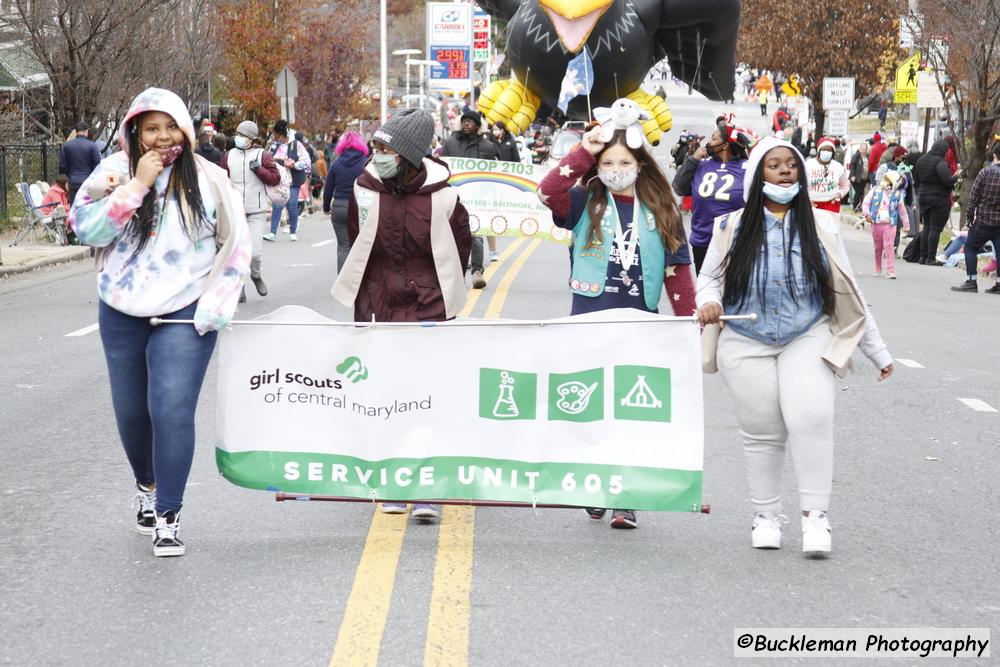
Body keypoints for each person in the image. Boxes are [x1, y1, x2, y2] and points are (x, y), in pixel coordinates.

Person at [67, 87, 250, 557]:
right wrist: (135, 187)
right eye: (151, 129)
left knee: (170, 409)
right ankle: (146, 487)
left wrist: (216, 306)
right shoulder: (113, 172)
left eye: (171, 127)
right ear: (135, 132)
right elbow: (84, 229)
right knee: (131, 410)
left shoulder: (209, 178)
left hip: (186, 309)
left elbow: (237, 246)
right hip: (121, 308)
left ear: (186, 131)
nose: (162, 138)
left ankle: (169, 514)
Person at [696, 136, 893, 556]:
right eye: (774, 165)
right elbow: (709, 278)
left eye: (791, 165)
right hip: (745, 340)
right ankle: (766, 517)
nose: (785, 171)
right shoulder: (729, 227)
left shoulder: (823, 226)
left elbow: (849, 291)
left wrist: (877, 351)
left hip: (808, 333)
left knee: (812, 417)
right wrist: (708, 301)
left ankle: (815, 518)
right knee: (763, 431)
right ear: (757, 177)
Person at [537, 123, 696, 530]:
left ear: (641, 165)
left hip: (639, 324)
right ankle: (595, 484)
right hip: (589, 321)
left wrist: (688, 323)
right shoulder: (583, 202)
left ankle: (625, 497)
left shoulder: (663, 208)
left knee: (628, 410)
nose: (616, 168)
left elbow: (677, 271)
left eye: (624, 162)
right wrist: (583, 152)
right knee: (592, 409)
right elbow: (547, 190)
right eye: (607, 162)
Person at [331, 109, 471, 523]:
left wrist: (436, 292)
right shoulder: (364, 188)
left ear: (408, 154)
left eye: (386, 148)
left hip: (429, 307)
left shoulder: (444, 195)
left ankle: (426, 486)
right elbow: (357, 242)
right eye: (376, 146)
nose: (378, 155)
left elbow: (461, 248)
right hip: (379, 306)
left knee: (426, 396)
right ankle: (393, 481)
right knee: (387, 397)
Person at [672, 115, 754, 273]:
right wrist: (692, 159)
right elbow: (679, 187)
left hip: (734, 243)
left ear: (725, 145)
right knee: (706, 292)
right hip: (702, 242)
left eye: (713, 138)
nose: (708, 142)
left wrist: (748, 144)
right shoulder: (702, 164)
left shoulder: (746, 167)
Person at [440, 110, 499, 288]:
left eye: (470, 121)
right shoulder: (450, 143)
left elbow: (495, 173)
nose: (466, 124)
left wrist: (490, 193)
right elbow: (443, 167)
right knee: (453, 235)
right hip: (454, 196)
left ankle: (477, 271)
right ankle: (456, 271)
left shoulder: (488, 147)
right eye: (464, 121)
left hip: (477, 197)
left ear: (478, 126)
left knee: (476, 234)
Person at [223, 120, 280, 301]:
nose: (238, 138)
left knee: (254, 253)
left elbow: (274, 179)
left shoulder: (262, 155)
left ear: (252, 139)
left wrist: (259, 170)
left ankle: (255, 275)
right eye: (237, 134)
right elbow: (221, 180)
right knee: (237, 252)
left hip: (256, 210)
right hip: (235, 212)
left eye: (243, 136)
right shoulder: (229, 156)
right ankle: (239, 286)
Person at [951, 143, 1000, 293]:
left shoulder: (985, 173)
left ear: (994, 155)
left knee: (971, 247)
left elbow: (973, 199)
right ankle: (999, 283)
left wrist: (969, 221)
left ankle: (971, 281)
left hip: (984, 220)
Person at [323, 130, 369, 273]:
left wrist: (326, 207)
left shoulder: (336, 164)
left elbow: (328, 189)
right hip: (360, 207)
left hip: (340, 207)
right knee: (362, 245)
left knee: (344, 246)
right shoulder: (366, 163)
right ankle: (360, 280)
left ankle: (342, 283)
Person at [913, 139, 960, 265]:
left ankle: (923, 257)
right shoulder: (940, 163)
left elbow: (916, 178)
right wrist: (956, 176)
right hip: (938, 198)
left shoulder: (921, 160)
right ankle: (931, 258)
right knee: (935, 228)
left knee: (927, 226)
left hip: (923, 196)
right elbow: (947, 181)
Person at [264, 119, 310, 242]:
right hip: (279, 180)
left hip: (292, 179)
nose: (275, 138)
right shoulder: (274, 146)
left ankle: (293, 231)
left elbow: (306, 161)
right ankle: (272, 233)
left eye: (277, 136)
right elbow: (267, 159)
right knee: (277, 205)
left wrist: (294, 164)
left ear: (282, 135)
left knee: (292, 205)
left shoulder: (296, 144)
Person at [862, 170, 910, 279]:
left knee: (889, 246)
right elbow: (866, 203)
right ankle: (878, 267)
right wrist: (867, 214)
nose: (884, 181)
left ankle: (890, 270)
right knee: (878, 247)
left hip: (890, 224)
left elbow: (902, 211)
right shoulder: (875, 190)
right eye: (884, 178)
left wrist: (907, 225)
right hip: (876, 223)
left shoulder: (898, 195)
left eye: (887, 179)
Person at [59, 121, 102, 204]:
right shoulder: (92, 146)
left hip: (72, 182)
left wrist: (69, 177)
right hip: (88, 182)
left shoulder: (67, 146)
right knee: (87, 208)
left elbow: (62, 166)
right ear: (86, 131)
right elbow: (98, 165)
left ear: (76, 131)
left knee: (74, 207)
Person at [805, 137, 850, 214]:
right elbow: (801, 185)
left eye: (829, 150)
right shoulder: (808, 164)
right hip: (812, 204)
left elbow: (845, 185)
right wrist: (806, 200)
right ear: (819, 151)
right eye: (824, 149)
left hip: (832, 205)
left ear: (832, 152)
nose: (826, 152)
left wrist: (840, 194)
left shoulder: (838, 167)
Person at [849, 142, 869, 210]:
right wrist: (852, 175)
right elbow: (852, 166)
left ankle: (859, 206)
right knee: (858, 192)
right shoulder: (856, 156)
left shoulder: (867, 156)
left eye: (865, 148)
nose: (863, 149)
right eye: (862, 148)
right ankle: (855, 206)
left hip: (864, 178)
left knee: (861, 192)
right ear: (860, 148)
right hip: (857, 177)